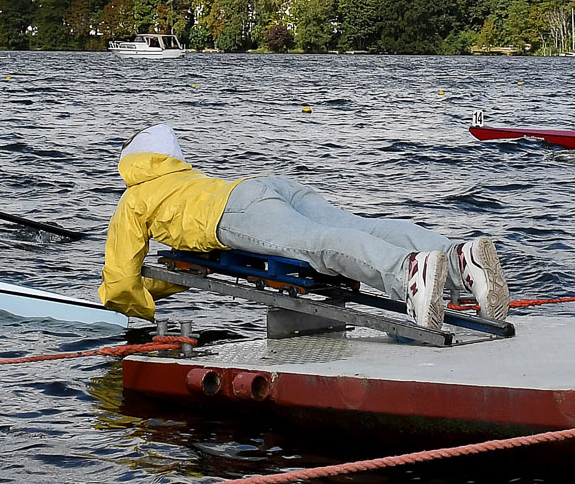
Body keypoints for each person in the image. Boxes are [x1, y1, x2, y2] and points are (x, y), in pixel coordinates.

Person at [99, 125, 508, 332]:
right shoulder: (187, 177)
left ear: (129, 163)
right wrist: (159, 286)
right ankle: (459, 259)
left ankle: (407, 274)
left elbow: (120, 278)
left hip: (236, 211)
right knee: (356, 224)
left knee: (316, 246)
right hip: (263, 186)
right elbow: (194, 263)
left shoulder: (135, 197)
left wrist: (136, 309)